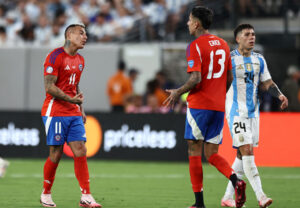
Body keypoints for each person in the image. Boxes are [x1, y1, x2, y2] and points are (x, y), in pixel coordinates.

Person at [164, 6, 246, 208]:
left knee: (194, 151)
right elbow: (228, 78)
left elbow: (196, 77)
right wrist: (218, 95)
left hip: (199, 105)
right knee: (212, 154)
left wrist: (178, 91)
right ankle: (237, 181)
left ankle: (199, 203)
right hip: (218, 106)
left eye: (190, 20)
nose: (187, 23)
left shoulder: (195, 46)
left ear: (197, 23)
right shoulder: (224, 45)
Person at [220, 24, 288, 208]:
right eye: (247, 34)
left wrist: (279, 94)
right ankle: (261, 196)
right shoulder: (229, 59)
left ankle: (227, 198)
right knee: (248, 151)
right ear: (238, 39)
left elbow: (267, 83)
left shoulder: (260, 60)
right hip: (236, 113)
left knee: (241, 156)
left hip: (253, 114)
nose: (252, 37)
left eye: (253, 34)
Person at [40, 23, 101, 208]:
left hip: (73, 111)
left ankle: (86, 196)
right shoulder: (55, 56)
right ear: (69, 35)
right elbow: (49, 87)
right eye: (81, 33)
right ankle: (46, 194)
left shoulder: (80, 60)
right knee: (56, 153)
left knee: (80, 149)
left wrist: (80, 108)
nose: (85, 37)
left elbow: (75, 87)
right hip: (55, 110)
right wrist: (71, 100)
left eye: (86, 34)